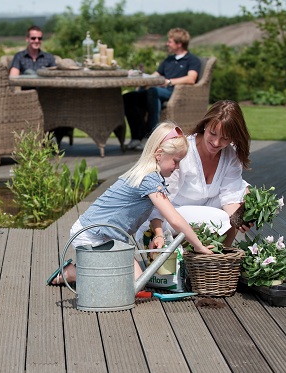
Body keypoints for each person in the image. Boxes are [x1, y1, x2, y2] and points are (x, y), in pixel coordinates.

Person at [47, 121, 213, 286]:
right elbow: (174, 219)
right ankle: (74, 272)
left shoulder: (150, 175)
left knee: (136, 282)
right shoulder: (149, 179)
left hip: (111, 238)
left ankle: (93, 267)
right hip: (92, 235)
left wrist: (159, 234)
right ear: (159, 154)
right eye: (175, 161)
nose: (177, 167)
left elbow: (158, 212)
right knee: (129, 283)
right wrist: (199, 246)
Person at [143, 100, 253, 251]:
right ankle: (205, 255)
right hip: (172, 214)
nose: (216, 142)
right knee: (221, 219)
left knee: (244, 190)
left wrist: (241, 218)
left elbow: (230, 198)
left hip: (206, 211)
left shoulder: (230, 155)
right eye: (212, 134)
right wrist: (158, 233)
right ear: (205, 125)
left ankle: (217, 260)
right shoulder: (183, 151)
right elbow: (160, 198)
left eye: (225, 138)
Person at [123, 28, 201, 151]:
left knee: (153, 92)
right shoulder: (168, 60)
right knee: (128, 97)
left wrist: (169, 82)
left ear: (179, 44)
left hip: (175, 92)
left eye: (170, 41)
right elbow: (155, 75)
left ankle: (150, 138)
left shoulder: (192, 60)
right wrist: (140, 76)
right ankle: (136, 138)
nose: (167, 43)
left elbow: (191, 79)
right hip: (158, 91)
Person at [8, 25, 73, 144]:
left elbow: (56, 78)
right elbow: (13, 78)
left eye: (39, 38)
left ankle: (51, 134)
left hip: (47, 97)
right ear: (27, 39)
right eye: (33, 38)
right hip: (25, 97)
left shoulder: (48, 58)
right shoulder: (20, 57)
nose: (36, 41)